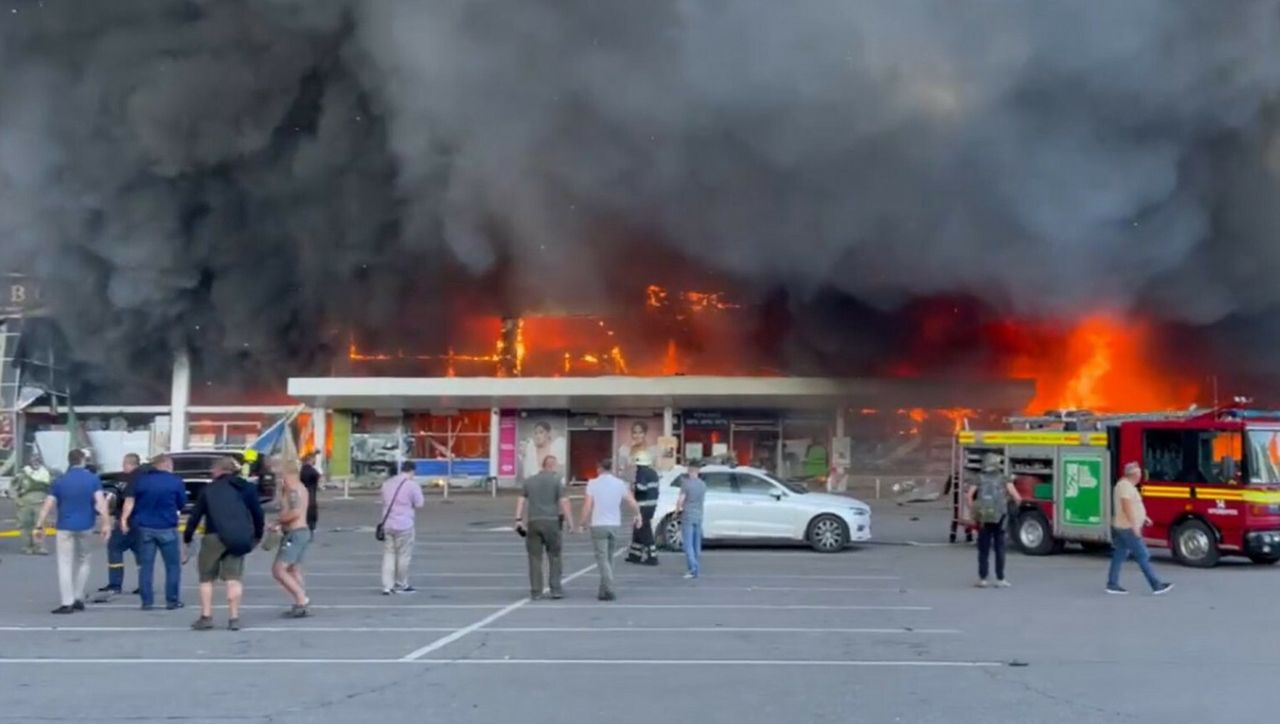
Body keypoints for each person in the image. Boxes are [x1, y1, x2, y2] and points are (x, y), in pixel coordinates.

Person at [183, 457, 265, 631]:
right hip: (238, 537)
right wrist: (257, 535)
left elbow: (195, 516)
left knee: (206, 578)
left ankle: (206, 616)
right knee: (233, 579)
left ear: (219, 470)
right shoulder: (247, 488)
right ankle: (234, 618)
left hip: (213, 536)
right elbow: (258, 513)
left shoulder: (208, 490)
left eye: (213, 470)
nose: (211, 473)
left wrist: (188, 537)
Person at [34, 449, 110, 614]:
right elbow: (100, 502)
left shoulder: (60, 481)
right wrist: (106, 524)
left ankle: (66, 602)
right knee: (84, 560)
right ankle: (78, 596)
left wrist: (39, 525)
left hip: (64, 526)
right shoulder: (92, 479)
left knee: (65, 563)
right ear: (83, 460)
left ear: (69, 461)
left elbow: (48, 504)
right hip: (86, 525)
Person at [122, 453, 187, 610]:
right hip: (167, 526)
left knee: (146, 566)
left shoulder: (141, 480)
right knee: (172, 566)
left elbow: (131, 501)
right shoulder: (175, 481)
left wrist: (124, 520)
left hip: (145, 527)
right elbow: (181, 503)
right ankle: (172, 600)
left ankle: (147, 601)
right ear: (167, 465)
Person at [579, 459, 642, 601]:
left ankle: (609, 587)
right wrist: (638, 515)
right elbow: (632, 502)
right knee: (609, 558)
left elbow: (587, 506)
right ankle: (603, 591)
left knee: (602, 559)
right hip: (614, 524)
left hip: (598, 524)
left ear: (599, 468)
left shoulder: (593, 484)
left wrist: (582, 523)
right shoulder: (620, 484)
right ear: (611, 469)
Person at [1107, 462, 1174, 595]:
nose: (1141, 476)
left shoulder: (1126, 485)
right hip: (1128, 528)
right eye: (1139, 474)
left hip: (1123, 526)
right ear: (1134, 475)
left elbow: (1134, 506)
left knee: (1119, 556)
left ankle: (1112, 584)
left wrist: (1144, 517)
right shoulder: (1125, 486)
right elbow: (1126, 506)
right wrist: (1134, 525)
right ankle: (1156, 585)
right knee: (1143, 555)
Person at [516, 455, 573, 600]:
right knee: (554, 556)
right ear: (553, 466)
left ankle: (536, 591)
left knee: (535, 558)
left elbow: (521, 500)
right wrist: (570, 522)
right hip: (552, 522)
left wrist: (518, 520)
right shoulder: (556, 482)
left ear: (543, 465)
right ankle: (555, 589)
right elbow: (564, 502)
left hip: (533, 522)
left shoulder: (529, 481)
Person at [968, 453, 1022, 588]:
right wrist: (1010, 505)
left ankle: (983, 579)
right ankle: (1000, 579)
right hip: (1000, 517)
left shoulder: (979, 478)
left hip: (983, 518)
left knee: (983, 550)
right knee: (1000, 549)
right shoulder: (1004, 478)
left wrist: (974, 510)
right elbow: (1017, 497)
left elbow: (969, 495)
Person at [271, 460, 313, 617]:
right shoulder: (296, 488)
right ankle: (300, 603)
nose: (277, 475)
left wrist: (277, 521)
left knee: (279, 569)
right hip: (300, 532)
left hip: (295, 533)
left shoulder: (293, 489)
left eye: (279, 472)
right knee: (293, 569)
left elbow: (295, 513)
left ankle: (302, 599)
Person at [99, 453, 142, 597]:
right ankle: (144, 584)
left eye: (124, 464)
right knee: (141, 553)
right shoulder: (145, 477)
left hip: (127, 520)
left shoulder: (127, 479)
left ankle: (115, 584)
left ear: (130, 464)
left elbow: (123, 499)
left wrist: (122, 519)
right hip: (141, 522)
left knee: (114, 547)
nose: (123, 467)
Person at [380, 461, 424, 595]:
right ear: (411, 471)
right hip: (405, 524)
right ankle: (402, 583)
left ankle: (387, 586)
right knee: (403, 555)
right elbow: (419, 503)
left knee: (389, 554)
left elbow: (384, 500)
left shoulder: (386, 484)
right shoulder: (412, 485)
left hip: (387, 523)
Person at [14, 453, 52, 555]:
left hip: (40, 503)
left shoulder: (46, 474)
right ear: (29, 461)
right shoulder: (22, 474)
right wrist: (17, 500)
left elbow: (51, 489)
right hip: (24, 504)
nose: (36, 462)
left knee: (40, 525)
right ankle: (27, 546)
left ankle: (40, 547)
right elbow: (13, 488)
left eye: (38, 460)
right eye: (33, 459)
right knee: (25, 525)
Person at [626, 450, 660, 565]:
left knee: (644, 529)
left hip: (643, 506)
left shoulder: (642, 473)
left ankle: (652, 556)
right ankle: (635, 554)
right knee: (638, 529)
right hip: (651, 505)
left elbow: (641, 488)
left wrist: (633, 486)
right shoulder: (653, 473)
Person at [675, 460, 708, 579]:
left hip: (688, 515)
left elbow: (681, 500)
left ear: (689, 470)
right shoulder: (703, 484)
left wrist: (677, 511)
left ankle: (693, 569)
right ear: (698, 471)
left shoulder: (686, 484)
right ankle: (695, 567)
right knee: (696, 544)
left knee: (688, 544)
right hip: (699, 515)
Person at [300, 452, 321, 534]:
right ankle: (311, 528)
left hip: (302, 494)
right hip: (311, 494)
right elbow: (317, 477)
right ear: (310, 460)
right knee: (311, 513)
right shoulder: (312, 471)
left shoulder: (301, 470)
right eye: (313, 459)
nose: (314, 461)